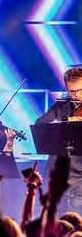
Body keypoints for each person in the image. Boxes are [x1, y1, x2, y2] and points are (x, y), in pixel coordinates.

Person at [36, 66, 82, 212]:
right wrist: (66, 121)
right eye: (72, 92)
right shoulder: (61, 106)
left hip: (79, 178)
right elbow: (40, 124)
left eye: (80, 91)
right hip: (57, 176)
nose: (76, 96)